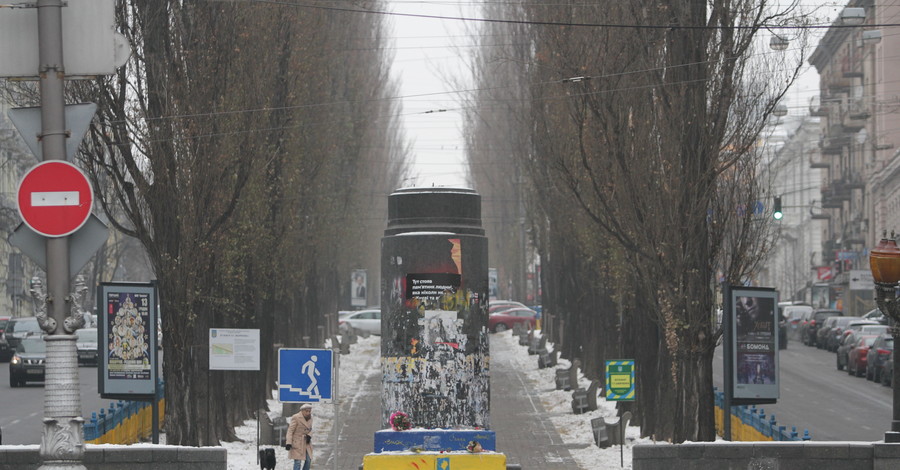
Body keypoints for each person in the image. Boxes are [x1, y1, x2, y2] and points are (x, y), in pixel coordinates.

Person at [285, 404, 313, 470]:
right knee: (297, 462)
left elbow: (310, 429)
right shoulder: (296, 417)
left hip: (306, 442)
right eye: (307, 411)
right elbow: (290, 430)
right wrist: (288, 442)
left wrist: (309, 435)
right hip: (297, 442)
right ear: (302, 411)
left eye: (309, 411)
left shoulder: (310, 418)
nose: (308, 413)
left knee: (308, 460)